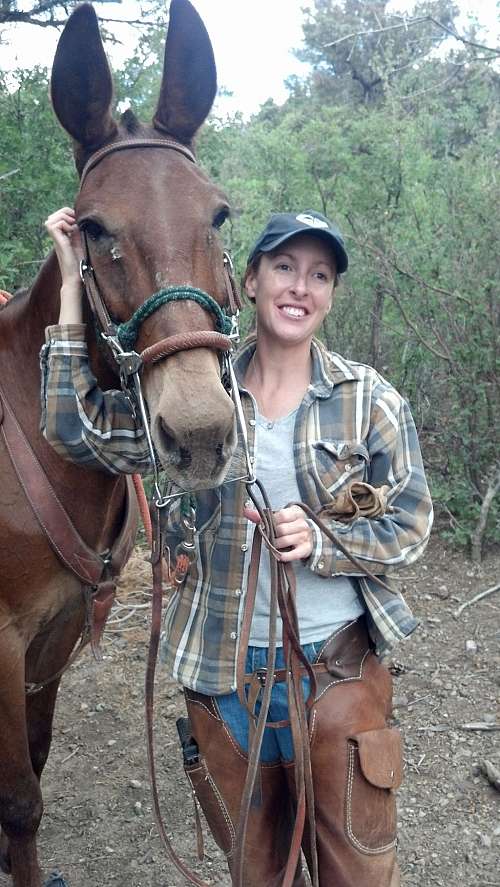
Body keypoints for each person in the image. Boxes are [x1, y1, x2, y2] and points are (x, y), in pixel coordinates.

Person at [41, 206, 433, 887]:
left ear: (331, 294)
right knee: (255, 871)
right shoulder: (200, 396)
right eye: (284, 267)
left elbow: (412, 522)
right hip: (225, 684)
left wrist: (322, 536)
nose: (299, 287)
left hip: (337, 675)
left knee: (358, 874)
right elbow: (75, 425)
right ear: (246, 279)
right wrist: (72, 278)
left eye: (318, 275)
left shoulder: (369, 398)